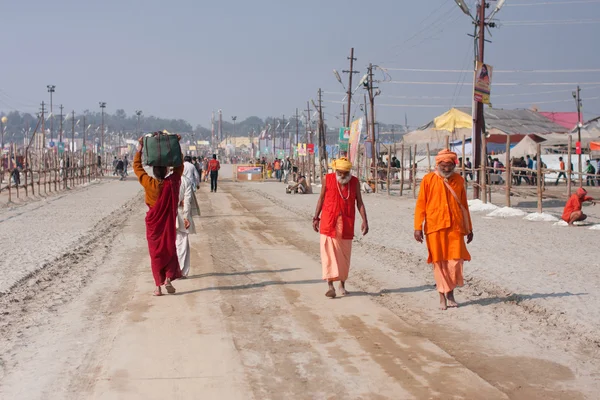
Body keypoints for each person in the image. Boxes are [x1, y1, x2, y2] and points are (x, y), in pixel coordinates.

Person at [414, 149, 474, 310]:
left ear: (454, 164)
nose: (446, 168)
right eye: (443, 165)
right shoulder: (428, 180)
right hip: (434, 227)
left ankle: (450, 292)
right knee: (439, 262)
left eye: (449, 165)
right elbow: (421, 205)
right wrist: (417, 227)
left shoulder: (459, 180)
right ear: (438, 164)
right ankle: (443, 296)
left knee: (455, 262)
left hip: (455, 227)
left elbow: (464, 206)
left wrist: (469, 228)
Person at [134, 136, 184, 296]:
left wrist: (140, 148)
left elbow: (137, 168)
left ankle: (158, 287)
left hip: (154, 226)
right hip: (168, 224)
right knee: (169, 250)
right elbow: (179, 168)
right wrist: (176, 146)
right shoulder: (172, 183)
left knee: (155, 254)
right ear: (166, 170)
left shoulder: (150, 184)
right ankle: (168, 278)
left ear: (154, 172)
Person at [313, 157, 369, 298]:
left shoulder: (355, 182)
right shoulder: (327, 179)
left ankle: (342, 285)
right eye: (340, 172)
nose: (343, 175)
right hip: (328, 223)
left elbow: (360, 203)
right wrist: (316, 217)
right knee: (329, 255)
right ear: (335, 170)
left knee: (344, 257)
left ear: (349, 171)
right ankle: (330, 285)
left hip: (346, 224)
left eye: (345, 172)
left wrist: (365, 220)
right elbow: (321, 199)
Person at [176, 174, 196, 278]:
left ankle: (174, 271)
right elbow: (187, 201)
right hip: (180, 214)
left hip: (169, 215)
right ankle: (180, 271)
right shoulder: (185, 180)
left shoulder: (164, 179)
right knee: (182, 244)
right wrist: (186, 217)